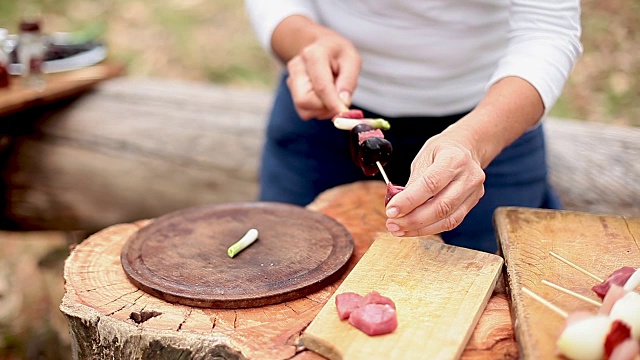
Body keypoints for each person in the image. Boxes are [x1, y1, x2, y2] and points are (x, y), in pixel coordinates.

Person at [244, 1, 582, 253]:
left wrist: (476, 140)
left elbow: (549, 30)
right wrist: (306, 39)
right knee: (284, 269)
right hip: (324, 116)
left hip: (490, 119)